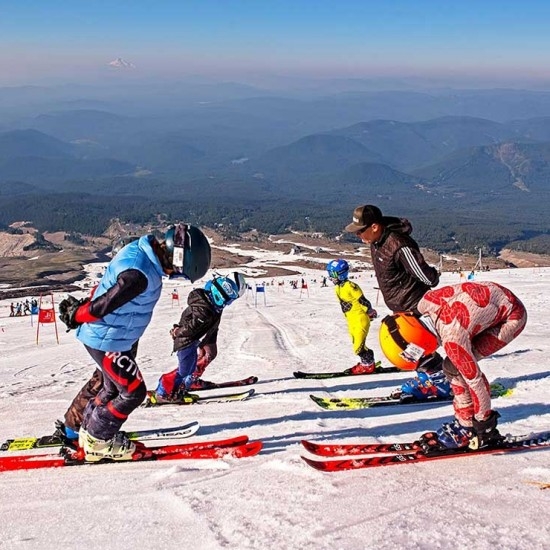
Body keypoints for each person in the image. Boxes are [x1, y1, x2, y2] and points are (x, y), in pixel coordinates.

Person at [57, 223, 211, 462]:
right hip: (107, 340)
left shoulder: (141, 254)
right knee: (133, 392)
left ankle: (90, 432)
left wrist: (82, 309)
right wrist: (77, 315)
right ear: (176, 258)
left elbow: (104, 287)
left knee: (112, 387)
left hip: (112, 338)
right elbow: (104, 305)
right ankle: (99, 441)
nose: (176, 276)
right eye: (181, 272)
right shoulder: (139, 275)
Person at [379, 281, 527, 450]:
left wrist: (482, 425)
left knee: (457, 368)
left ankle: (470, 427)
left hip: (512, 317)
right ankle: (466, 420)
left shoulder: (452, 336)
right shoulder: (424, 303)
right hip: (497, 296)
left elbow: (475, 381)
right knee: (452, 367)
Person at [344, 204, 446, 395]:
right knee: (412, 347)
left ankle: (439, 383)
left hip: (415, 304)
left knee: (415, 345)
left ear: (375, 227)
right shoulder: (377, 241)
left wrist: (433, 274)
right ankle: (431, 378)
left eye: (361, 231)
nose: (358, 236)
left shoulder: (398, 244)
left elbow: (427, 278)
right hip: (401, 305)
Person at [149, 273, 245, 403]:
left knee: (189, 368)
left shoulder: (211, 307)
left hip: (191, 341)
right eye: (227, 299)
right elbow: (191, 327)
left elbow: (204, 325)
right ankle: (163, 391)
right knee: (184, 369)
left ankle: (177, 389)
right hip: (185, 341)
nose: (227, 304)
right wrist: (178, 332)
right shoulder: (205, 309)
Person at [326, 259, 378, 374]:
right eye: (330, 275)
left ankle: (368, 365)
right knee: (357, 344)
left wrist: (369, 310)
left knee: (358, 348)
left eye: (333, 275)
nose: (331, 278)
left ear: (341, 274)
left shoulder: (351, 286)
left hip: (360, 319)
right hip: (352, 321)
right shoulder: (338, 287)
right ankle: (368, 360)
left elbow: (362, 300)